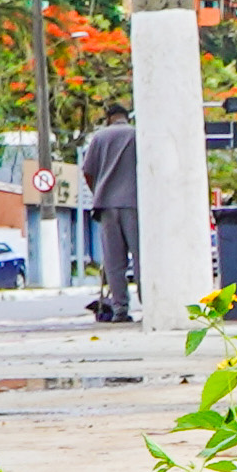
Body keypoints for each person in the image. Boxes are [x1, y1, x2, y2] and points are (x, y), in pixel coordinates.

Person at [80, 102, 139, 322]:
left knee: (114, 262)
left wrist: (99, 192)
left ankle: (120, 309)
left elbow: (87, 171)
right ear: (126, 117)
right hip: (133, 203)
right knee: (140, 257)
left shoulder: (99, 137)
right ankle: (149, 305)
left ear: (109, 118)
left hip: (106, 205)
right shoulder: (136, 135)